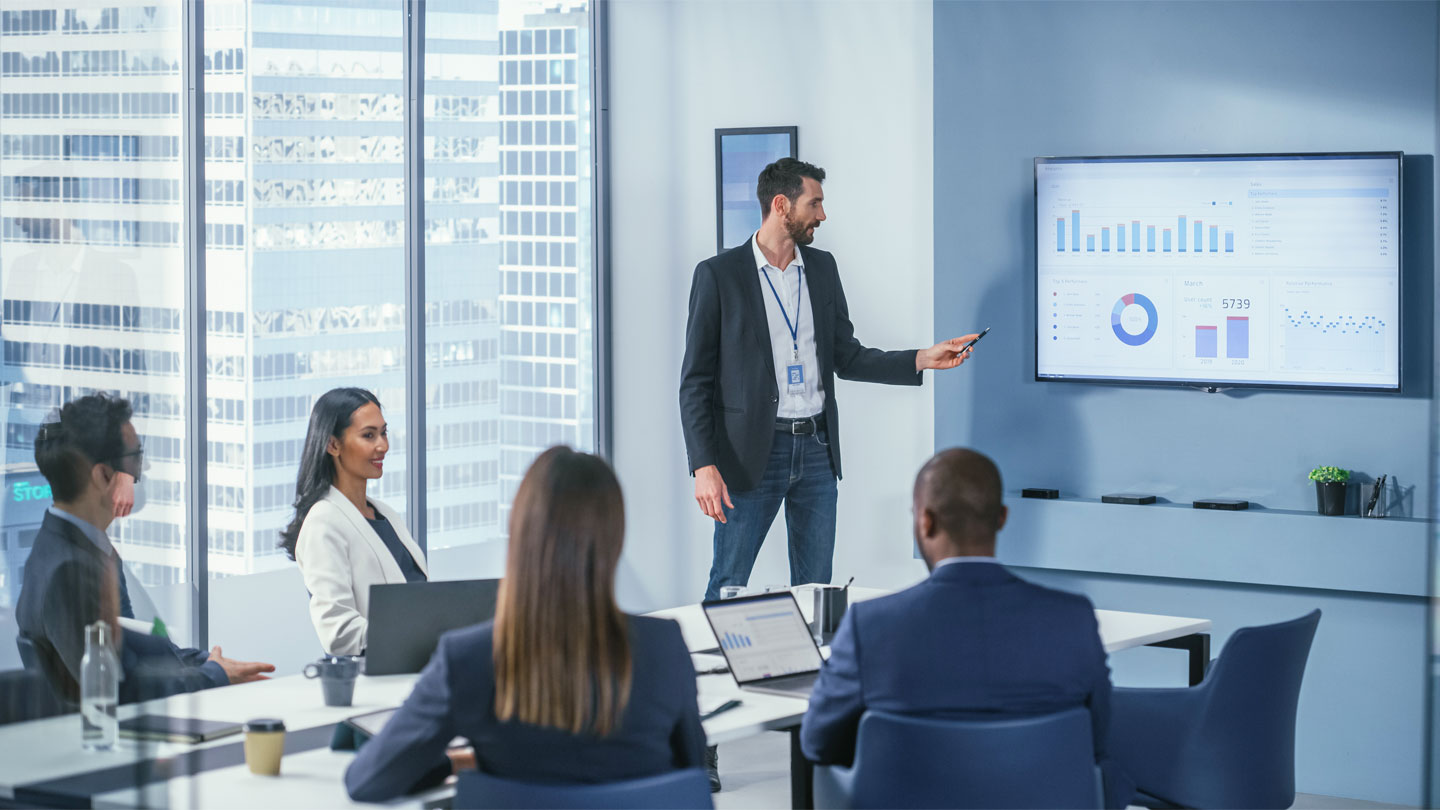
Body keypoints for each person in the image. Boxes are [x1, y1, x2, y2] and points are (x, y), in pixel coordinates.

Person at [680, 157, 980, 604]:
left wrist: (923, 358)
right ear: (781, 205)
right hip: (749, 457)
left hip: (817, 452)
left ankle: (815, 673)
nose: (822, 214)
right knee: (728, 583)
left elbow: (847, 356)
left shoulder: (822, 269)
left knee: (817, 591)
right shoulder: (718, 276)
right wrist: (704, 466)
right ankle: (706, 671)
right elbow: (695, 381)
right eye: (814, 203)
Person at [344, 447, 705, 801]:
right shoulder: (664, 646)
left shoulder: (469, 660)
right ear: (614, 538)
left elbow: (369, 780)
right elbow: (692, 768)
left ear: (520, 534)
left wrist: (459, 762)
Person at [799, 448, 1135, 809]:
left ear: (925, 522)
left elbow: (818, 742)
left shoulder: (872, 626)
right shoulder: (1072, 619)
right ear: (1002, 518)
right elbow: (1099, 742)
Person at [16, 394, 273, 705]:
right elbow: (118, 690)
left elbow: (134, 650)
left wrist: (207, 664)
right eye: (136, 456)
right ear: (103, 475)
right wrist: (213, 675)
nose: (144, 466)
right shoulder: (67, 571)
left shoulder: (77, 547)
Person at [282, 388, 427, 656]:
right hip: (376, 676)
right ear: (333, 445)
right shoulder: (323, 522)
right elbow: (338, 632)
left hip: (416, 663)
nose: (383, 445)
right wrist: (416, 632)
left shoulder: (385, 514)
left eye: (383, 433)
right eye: (368, 435)